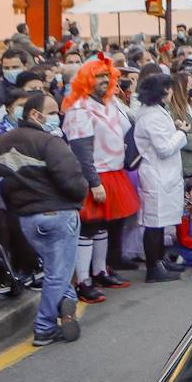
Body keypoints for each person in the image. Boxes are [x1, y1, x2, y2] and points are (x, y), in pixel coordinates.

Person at [0, 92, 86, 346]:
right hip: (59, 215)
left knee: (55, 269)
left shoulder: (2, 142)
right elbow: (74, 182)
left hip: (27, 220)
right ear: (35, 114)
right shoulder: (50, 143)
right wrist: (78, 198)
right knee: (58, 272)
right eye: (54, 112)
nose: (58, 117)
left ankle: (66, 302)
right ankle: (45, 326)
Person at [62, 56, 139, 301]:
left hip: (113, 171)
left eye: (108, 76)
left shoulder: (108, 103)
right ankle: (83, 280)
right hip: (96, 173)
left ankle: (100, 270)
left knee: (103, 225)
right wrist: (93, 182)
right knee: (89, 227)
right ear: (87, 80)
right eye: (99, 77)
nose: (105, 81)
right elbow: (82, 150)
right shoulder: (79, 109)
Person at [134, 72, 188, 282]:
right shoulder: (151, 116)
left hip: (165, 173)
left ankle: (160, 260)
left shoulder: (155, 111)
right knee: (154, 222)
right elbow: (164, 148)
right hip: (157, 173)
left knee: (161, 220)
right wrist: (181, 133)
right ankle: (153, 268)